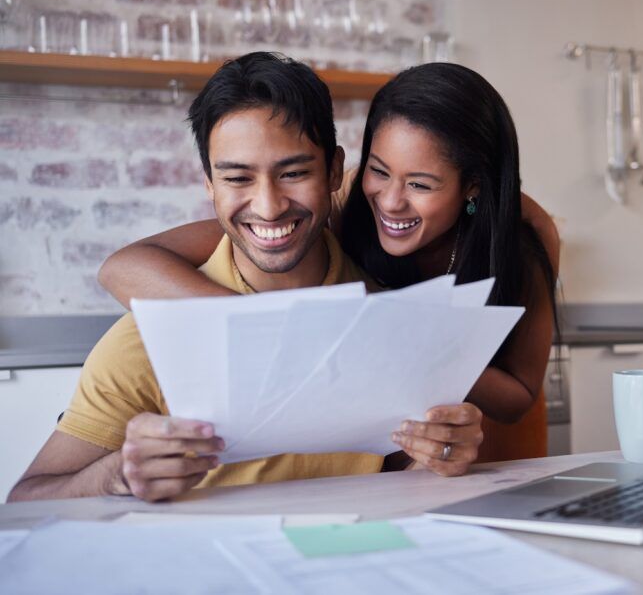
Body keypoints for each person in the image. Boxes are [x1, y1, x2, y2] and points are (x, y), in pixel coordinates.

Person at [7, 52, 484, 504]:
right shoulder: (145, 341)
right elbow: (25, 500)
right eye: (237, 179)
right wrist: (117, 475)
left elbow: (404, 475)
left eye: (294, 172)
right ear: (209, 185)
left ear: (335, 170)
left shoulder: (389, 320)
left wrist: (441, 455)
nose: (269, 205)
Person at [98, 63, 559, 456]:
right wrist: (263, 324)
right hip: (389, 449)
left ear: (473, 185)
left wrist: (413, 338)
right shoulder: (340, 204)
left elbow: (518, 396)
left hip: (484, 443)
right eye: (379, 170)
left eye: (420, 185)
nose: (391, 202)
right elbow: (123, 267)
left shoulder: (522, 238)